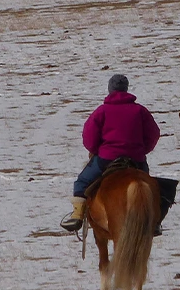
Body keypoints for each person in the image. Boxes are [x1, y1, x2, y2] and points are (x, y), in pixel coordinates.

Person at [61, 74, 161, 232]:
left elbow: (89, 136)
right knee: (150, 187)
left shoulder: (102, 111)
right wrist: (141, 150)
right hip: (137, 159)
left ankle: (77, 216)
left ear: (110, 89)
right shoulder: (140, 111)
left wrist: (96, 150)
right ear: (126, 89)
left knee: (82, 182)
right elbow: (153, 134)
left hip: (106, 158)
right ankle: (155, 221)